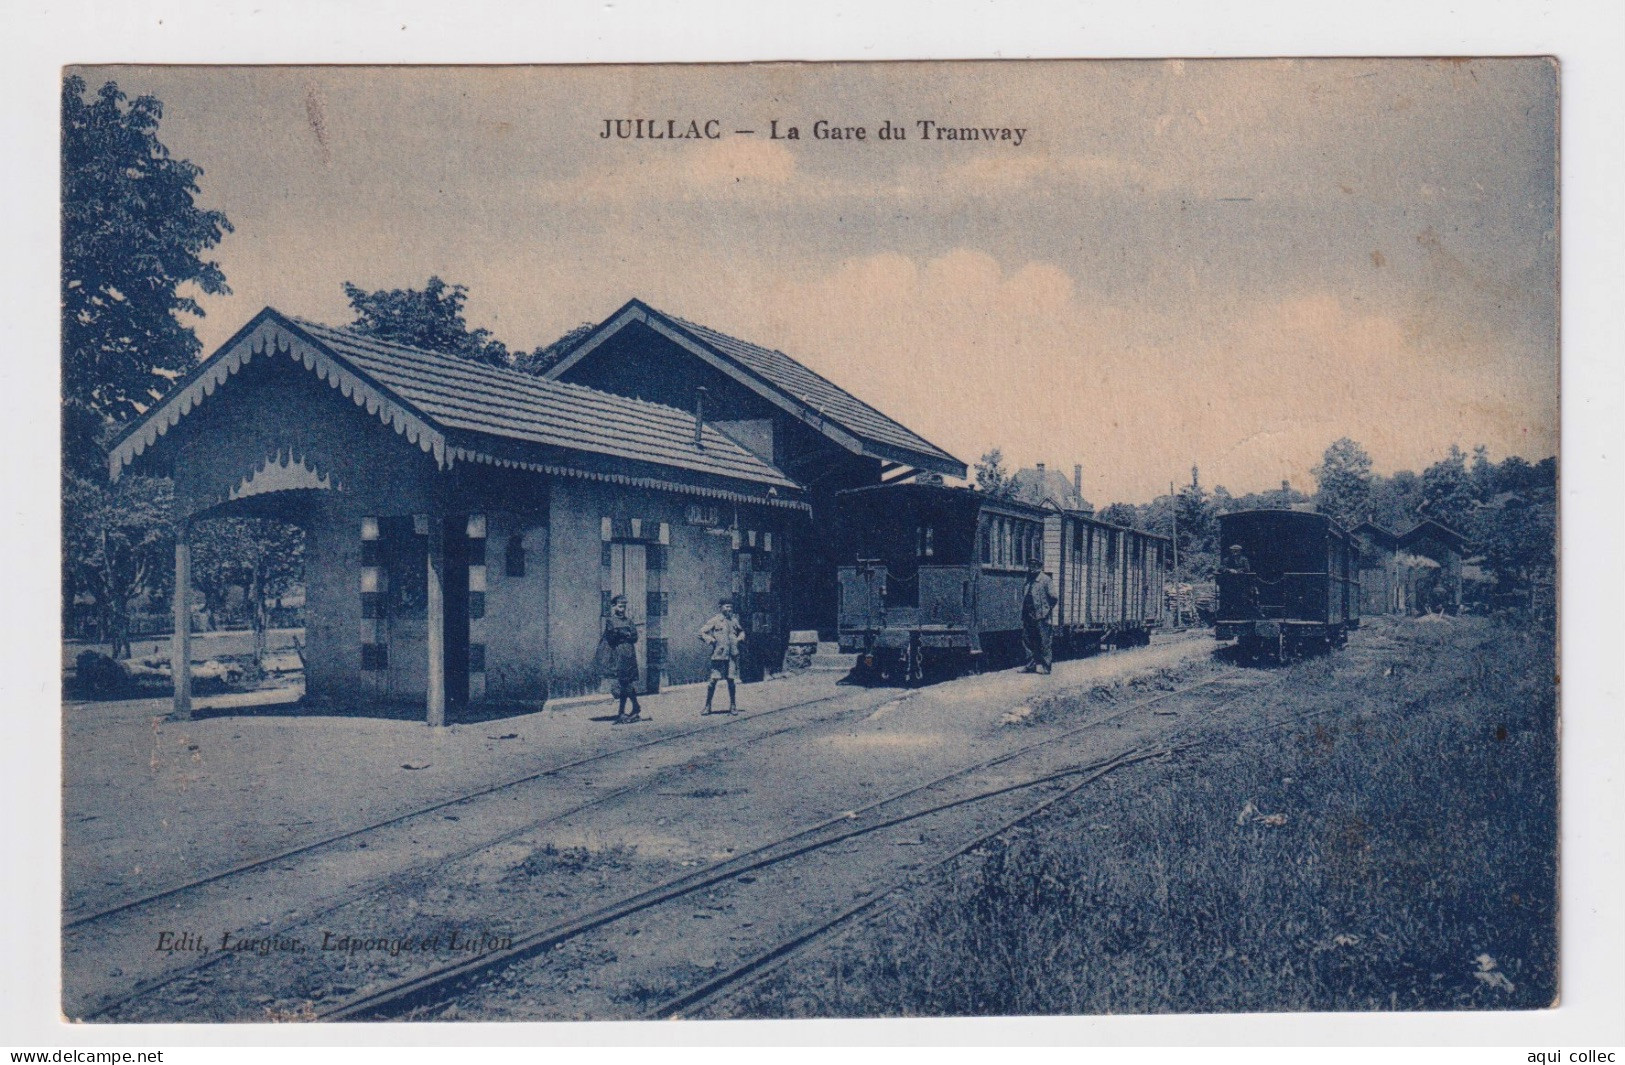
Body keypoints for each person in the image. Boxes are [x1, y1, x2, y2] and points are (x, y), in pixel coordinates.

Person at [596, 595, 642, 724]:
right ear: (614, 606)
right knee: (624, 683)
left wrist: (621, 634)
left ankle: (624, 712)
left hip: (629, 654)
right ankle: (633, 708)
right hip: (617, 655)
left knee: (626, 682)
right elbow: (611, 638)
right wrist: (624, 634)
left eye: (624, 607)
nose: (622, 609)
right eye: (620, 606)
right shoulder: (610, 621)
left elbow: (634, 637)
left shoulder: (629, 621)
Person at [697, 598, 746, 715]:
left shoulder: (734, 621)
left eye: (730, 607)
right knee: (713, 681)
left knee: (731, 680)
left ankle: (733, 706)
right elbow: (701, 632)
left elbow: (741, 631)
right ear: (720, 607)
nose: (729, 609)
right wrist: (711, 640)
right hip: (718, 655)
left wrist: (739, 639)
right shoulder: (715, 620)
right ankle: (707, 706)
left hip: (732, 655)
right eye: (726, 606)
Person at [1021, 558, 1057, 674]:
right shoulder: (1028, 579)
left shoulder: (1046, 580)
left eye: (1034, 565)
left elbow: (1053, 598)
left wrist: (1046, 610)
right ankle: (1030, 665)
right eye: (1030, 565)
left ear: (1040, 566)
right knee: (1027, 640)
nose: (1032, 568)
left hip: (1041, 616)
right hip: (1028, 615)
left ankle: (1046, 667)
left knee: (1044, 642)